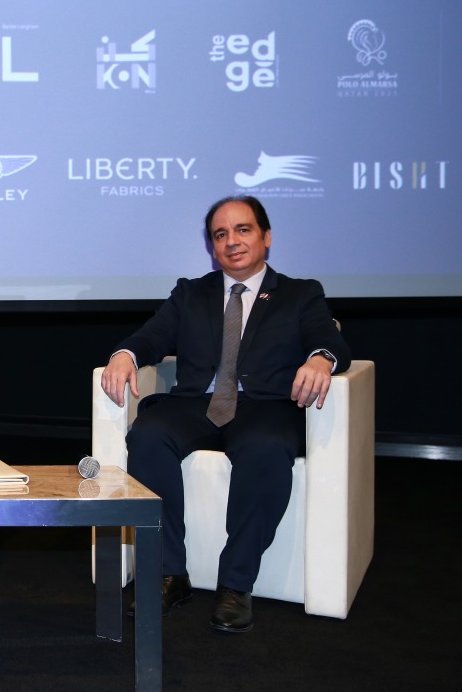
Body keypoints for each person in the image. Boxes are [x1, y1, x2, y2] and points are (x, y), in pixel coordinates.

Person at [100, 195, 350, 634]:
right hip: (197, 404)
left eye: (243, 230)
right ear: (212, 247)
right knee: (148, 435)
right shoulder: (190, 293)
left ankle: (236, 585)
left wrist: (321, 358)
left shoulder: (299, 293)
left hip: (265, 407)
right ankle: (167, 574)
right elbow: (152, 335)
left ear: (266, 237)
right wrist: (125, 353)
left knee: (266, 447)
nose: (232, 241)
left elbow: (326, 338)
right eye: (221, 235)